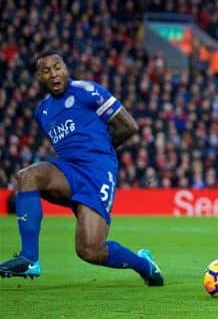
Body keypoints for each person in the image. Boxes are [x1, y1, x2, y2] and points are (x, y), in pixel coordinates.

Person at [0, 51, 164, 286]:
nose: (54, 74)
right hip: (68, 169)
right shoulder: (42, 112)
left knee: (90, 250)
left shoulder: (88, 91)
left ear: (66, 68)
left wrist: (101, 151)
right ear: (38, 77)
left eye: (58, 67)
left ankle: (144, 264)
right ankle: (29, 258)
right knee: (28, 176)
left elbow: (129, 126)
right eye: (46, 71)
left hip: (98, 171)